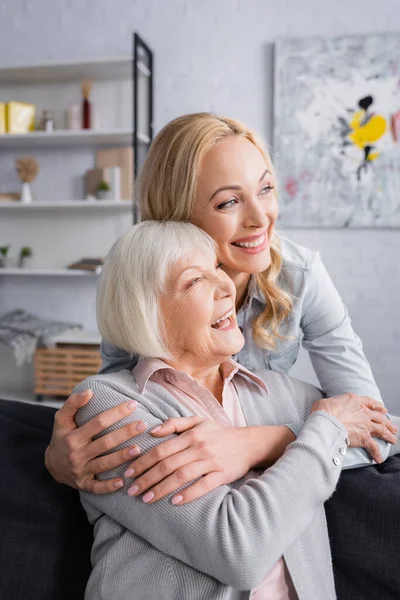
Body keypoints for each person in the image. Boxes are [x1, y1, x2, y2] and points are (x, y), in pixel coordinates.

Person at [46, 112, 397, 497]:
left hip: (281, 484)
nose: (261, 217)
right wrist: (60, 455)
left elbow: (377, 432)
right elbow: (115, 399)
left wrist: (256, 444)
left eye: (265, 188)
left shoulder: (300, 275)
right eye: (229, 201)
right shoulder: (141, 282)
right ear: (177, 215)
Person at [74, 220, 399, 600]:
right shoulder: (108, 403)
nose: (228, 285)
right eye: (195, 281)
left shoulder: (282, 393)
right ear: (146, 310)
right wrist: (325, 428)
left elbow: (386, 428)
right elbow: (238, 549)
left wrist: (279, 439)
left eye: (218, 268)